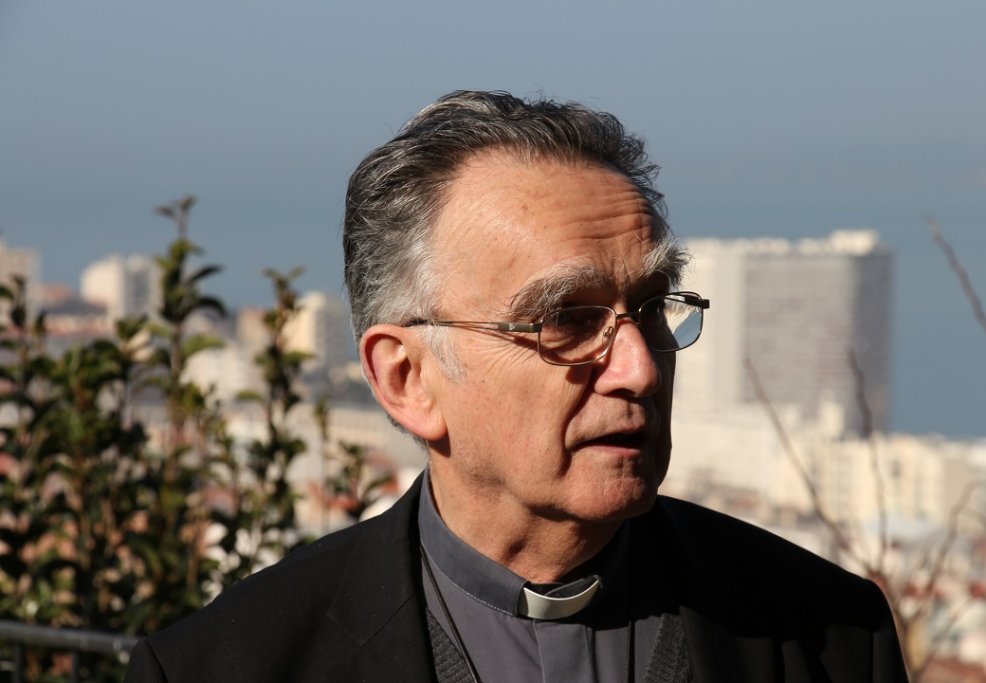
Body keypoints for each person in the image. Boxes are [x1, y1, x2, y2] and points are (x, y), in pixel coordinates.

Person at [127, 90, 907, 682]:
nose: (638, 366)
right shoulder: (226, 664)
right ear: (407, 379)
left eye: (649, 307)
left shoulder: (830, 635)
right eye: (565, 318)